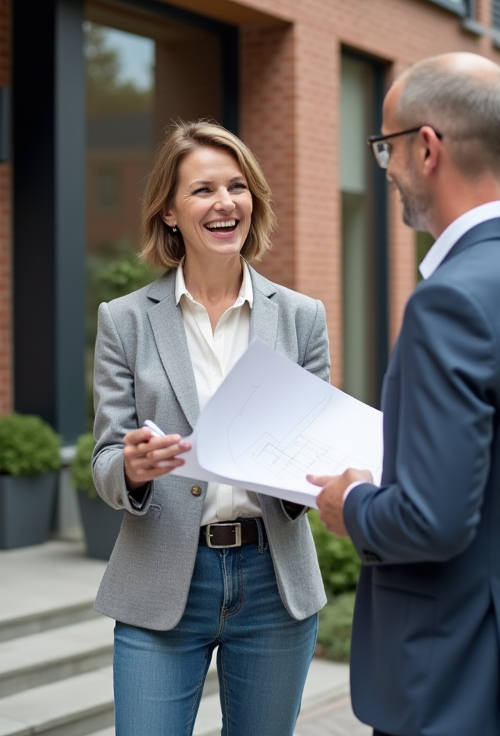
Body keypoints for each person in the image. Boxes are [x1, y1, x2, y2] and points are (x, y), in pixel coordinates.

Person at [310, 53, 500, 736]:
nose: (386, 168)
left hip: (456, 685)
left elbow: (432, 522)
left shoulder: (448, 302)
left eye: (387, 148)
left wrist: (349, 503)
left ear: (426, 148)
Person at [91, 120, 329, 735]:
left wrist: (307, 466)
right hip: (161, 579)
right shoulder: (124, 321)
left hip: (273, 582)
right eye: (202, 190)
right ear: (169, 212)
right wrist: (132, 469)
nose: (225, 203)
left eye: (236, 186)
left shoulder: (301, 318)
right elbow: (105, 459)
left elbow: (315, 455)